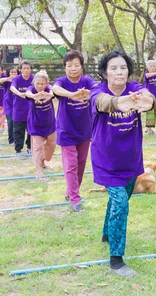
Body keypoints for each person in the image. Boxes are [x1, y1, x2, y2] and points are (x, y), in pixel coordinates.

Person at [90, 50, 156, 277]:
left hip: (131, 158)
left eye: (123, 67)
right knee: (120, 203)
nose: (119, 72)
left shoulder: (135, 88)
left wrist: (146, 102)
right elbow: (102, 103)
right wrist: (121, 102)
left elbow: (150, 99)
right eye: (113, 68)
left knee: (120, 198)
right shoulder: (98, 91)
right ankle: (116, 260)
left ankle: (107, 233)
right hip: (106, 159)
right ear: (105, 72)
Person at [52, 50, 97, 212]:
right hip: (66, 131)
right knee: (71, 165)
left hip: (85, 131)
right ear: (64, 68)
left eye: (76, 65)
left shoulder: (87, 80)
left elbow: (99, 90)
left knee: (80, 165)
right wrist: (72, 95)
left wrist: (88, 94)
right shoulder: (62, 82)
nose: (73, 68)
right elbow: (55, 89)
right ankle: (75, 200)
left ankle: (70, 192)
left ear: (82, 67)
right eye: (69, 65)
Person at [25, 71, 56, 181]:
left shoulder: (49, 89)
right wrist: (34, 96)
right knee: (37, 148)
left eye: (42, 83)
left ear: (46, 83)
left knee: (51, 146)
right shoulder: (31, 90)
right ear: (34, 83)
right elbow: (27, 94)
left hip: (50, 124)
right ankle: (39, 172)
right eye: (38, 83)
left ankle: (43, 162)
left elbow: (53, 91)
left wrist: (50, 95)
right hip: (35, 125)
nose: (40, 86)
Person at [10, 61, 34, 158]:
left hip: (32, 110)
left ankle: (30, 147)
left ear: (31, 69)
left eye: (28, 68)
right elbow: (12, 87)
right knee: (18, 131)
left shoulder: (34, 78)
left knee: (31, 131)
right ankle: (18, 151)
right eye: (24, 68)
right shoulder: (17, 79)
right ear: (20, 69)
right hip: (19, 110)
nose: (26, 70)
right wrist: (19, 94)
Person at [0, 67, 18, 145]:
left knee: (18, 123)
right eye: (12, 72)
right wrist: (8, 79)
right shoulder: (7, 81)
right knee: (10, 122)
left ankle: (17, 138)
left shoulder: (19, 81)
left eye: (15, 72)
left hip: (18, 105)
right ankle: (11, 140)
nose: (13, 74)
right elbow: (0, 81)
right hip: (8, 104)